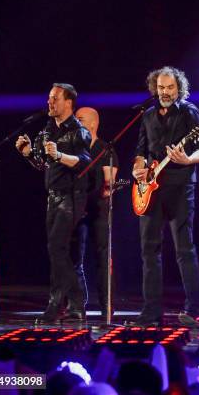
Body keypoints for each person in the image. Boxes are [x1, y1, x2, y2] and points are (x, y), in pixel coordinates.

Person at [131, 66, 199, 326]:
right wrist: (137, 169)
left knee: (184, 249)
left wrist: (187, 159)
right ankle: (151, 311)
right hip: (151, 189)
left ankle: (194, 309)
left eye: (170, 88)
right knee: (149, 250)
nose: (165, 92)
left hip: (180, 187)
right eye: (161, 88)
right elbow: (141, 149)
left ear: (179, 88)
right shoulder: (148, 114)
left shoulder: (189, 112)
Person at [15, 83, 92, 322]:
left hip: (72, 197)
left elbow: (84, 162)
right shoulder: (48, 130)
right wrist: (28, 153)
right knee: (57, 252)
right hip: (53, 197)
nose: (50, 102)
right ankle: (60, 304)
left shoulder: (79, 131)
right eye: (49, 98)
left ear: (68, 102)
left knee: (57, 248)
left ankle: (73, 302)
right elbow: (43, 164)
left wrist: (59, 155)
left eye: (55, 98)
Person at [72, 107, 119, 317]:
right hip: (77, 208)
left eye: (79, 119)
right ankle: (77, 305)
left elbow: (110, 184)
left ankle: (106, 306)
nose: (76, 122)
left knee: (103, 257)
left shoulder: (105, 150)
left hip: (98, 209)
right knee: (74, 258)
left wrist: (106, 184)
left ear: (92, 124)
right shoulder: (73, 149)